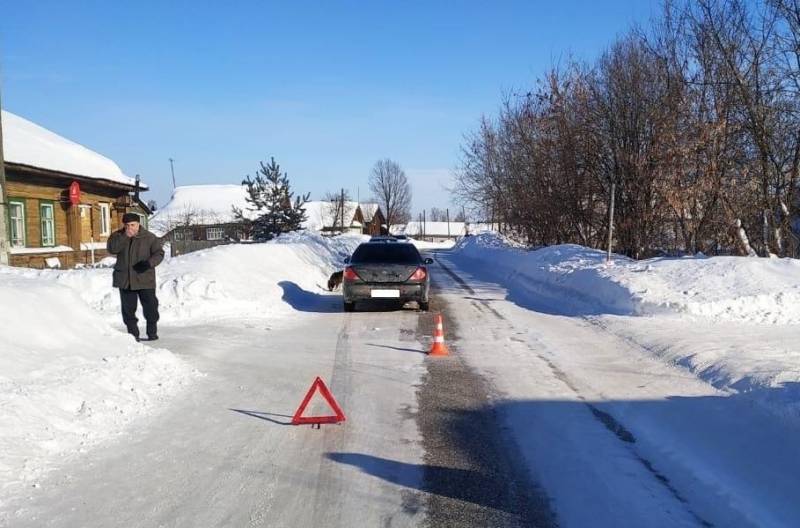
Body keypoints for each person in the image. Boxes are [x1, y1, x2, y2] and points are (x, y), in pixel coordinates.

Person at [107, 212, 165, 341]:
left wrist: (149, 263)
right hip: (125, 280)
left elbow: (159, 253)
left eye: (132, 225)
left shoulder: (150, 237)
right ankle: (133, 335)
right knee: (128, 310)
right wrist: (125, 237)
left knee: (151, 307)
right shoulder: (117, 236)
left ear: (138, 224)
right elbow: (112, 249)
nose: (130, 228)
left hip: (145, 278)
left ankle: (152, 332)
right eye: (127, 225)